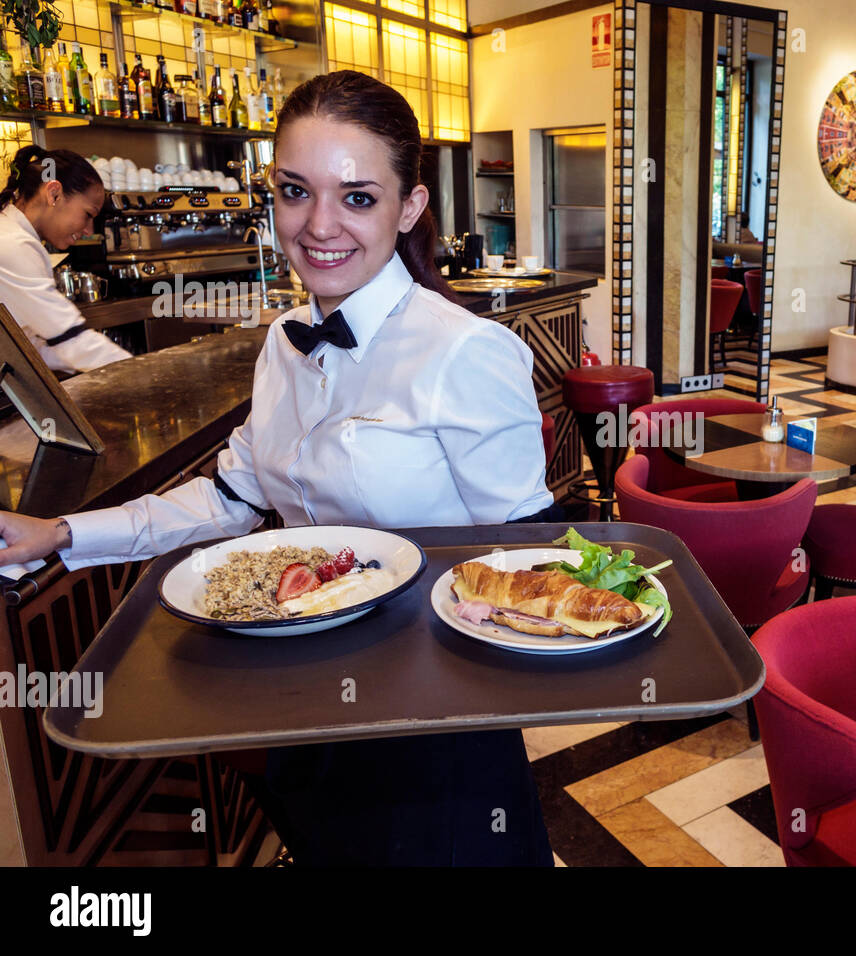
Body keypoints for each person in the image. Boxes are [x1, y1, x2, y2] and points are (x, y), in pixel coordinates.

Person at [0, 71, 559, 865]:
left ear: (409, 207)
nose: (319, 224)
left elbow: (522, 556)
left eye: (357, 197)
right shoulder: (283, 340)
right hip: (301, 698)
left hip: (430, 727)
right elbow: (232, 496)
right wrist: (58, 533)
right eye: (296, 191)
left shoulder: (466, 352)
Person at [0, 146, 132, 373]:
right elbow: (71, 340)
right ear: (54, 194)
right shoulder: (13, 244)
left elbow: (31, 347)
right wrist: (145, 374)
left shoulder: (15, 237)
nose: (88, 230)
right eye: (88, 215)